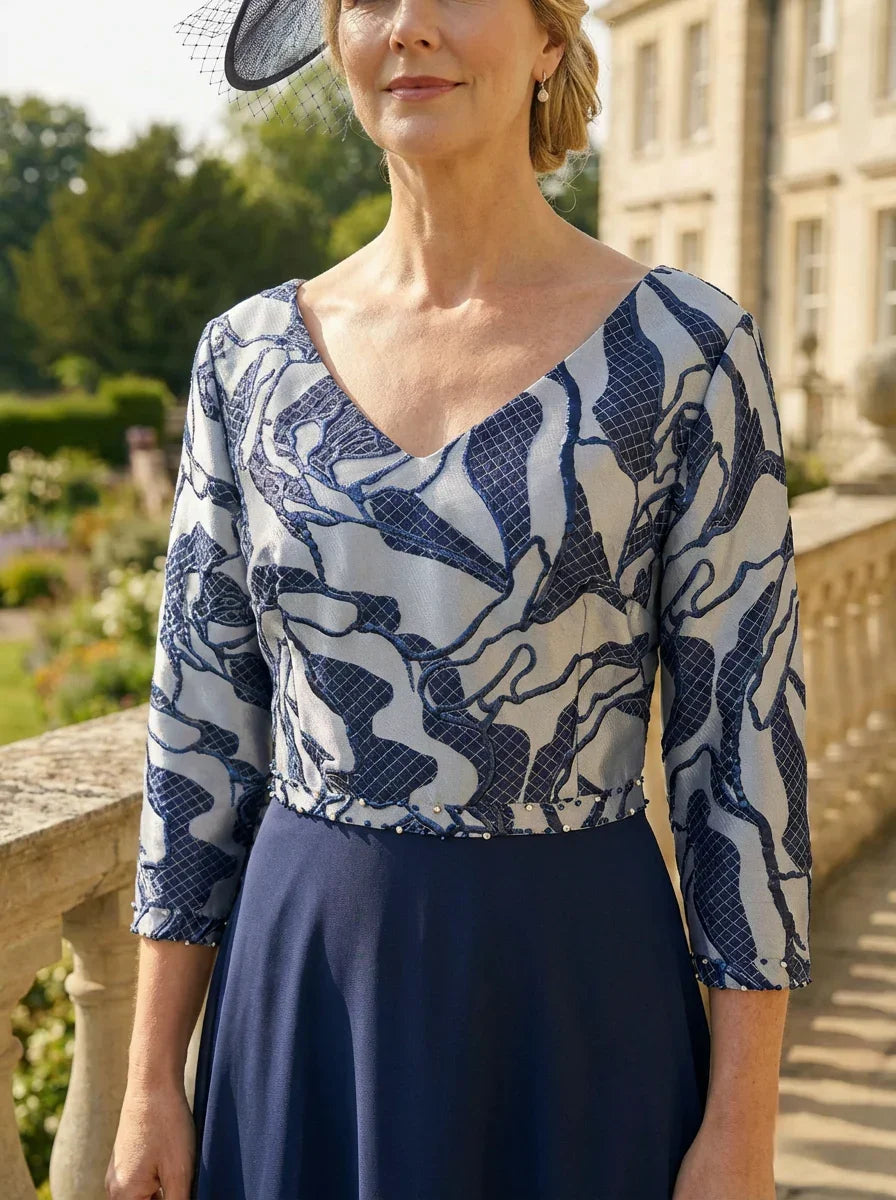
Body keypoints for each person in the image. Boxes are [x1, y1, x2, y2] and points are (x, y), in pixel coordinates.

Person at [106, 0, 812, 1195]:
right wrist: (147, 1086)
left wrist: (740, 1124)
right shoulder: (247, 360)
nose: (410, 27)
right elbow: (197, 746)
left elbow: (741, 764)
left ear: (549, 38)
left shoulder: (689, 352)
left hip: (577, 1002)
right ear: (335, 40)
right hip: (302, 996)